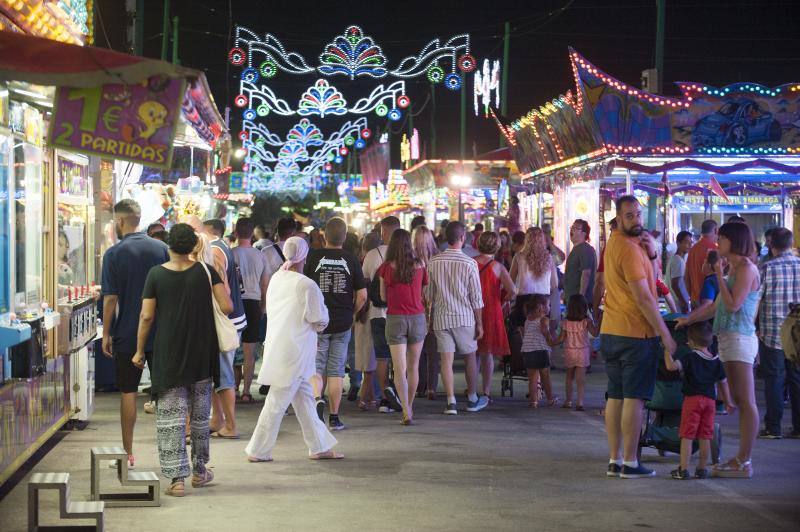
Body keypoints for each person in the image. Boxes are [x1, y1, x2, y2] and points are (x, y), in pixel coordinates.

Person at [133, 223, 233, 497]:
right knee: (200, 417)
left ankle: (177, 480)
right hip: (201, 352)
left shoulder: (155, 275)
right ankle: (200, 472)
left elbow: (146, 317)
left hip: (168, 354)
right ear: (193, 246)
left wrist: (140, 351)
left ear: (168, 246)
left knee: (170, 418)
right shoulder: (206, 271)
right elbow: (227, 307)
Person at [245, 237, 343, 463]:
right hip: (297, 351)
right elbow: (318, 318)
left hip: (283, 347)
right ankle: (258, 450)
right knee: (278, 401)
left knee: (305, 399)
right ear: (305, 256)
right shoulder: (306, 284)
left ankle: (319, 446)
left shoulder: (278, 278)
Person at [601, 195, 676, 479]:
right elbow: (645, 298)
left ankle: (614, 459)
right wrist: (665, 335)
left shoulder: (620, 245)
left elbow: (651, 282)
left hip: (612, 330)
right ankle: (630, 462)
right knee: (634, 399)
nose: (636, 220)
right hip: (635, 334)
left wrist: (653, 255)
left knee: (617, 397)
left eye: (638, 214)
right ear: (618, 218)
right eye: (629, 215)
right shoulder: (629, 249)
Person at [677, 222, 760, 478]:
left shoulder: (746, 268)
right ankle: (739, 459)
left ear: (733, 241)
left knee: (745, 402)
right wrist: (689, 320)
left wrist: (718, 276)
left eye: (721, 239)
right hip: (727, 338)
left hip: (740, 339)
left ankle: (744, 459)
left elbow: (733, 304)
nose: (717, 244)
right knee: (736, 399)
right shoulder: (734, 268)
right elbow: (715, 307)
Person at [101, 199, 169, 468]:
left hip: (127, 333)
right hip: (161, 332)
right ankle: (169, 454)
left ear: (119, 221)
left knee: (128, 392)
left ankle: (127, 454)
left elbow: (110, 299)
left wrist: (106, 332)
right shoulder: (162, 248)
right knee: (166, 395)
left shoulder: (114, 254)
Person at [304, 217, 367, 431]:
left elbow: (304, 289)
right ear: (345, 235)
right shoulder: (351, 260)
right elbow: (362, 296)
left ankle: (316, 405)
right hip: (342, 322)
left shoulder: (313, 258)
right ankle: (334, 416)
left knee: (317, 366)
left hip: (318, 322)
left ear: (324, 235)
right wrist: (352, 313)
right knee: (336, 370)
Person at [426, 221, 485, 414]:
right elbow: (476, 297)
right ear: (462, 238)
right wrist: (480, 323)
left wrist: (429, 317)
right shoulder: (470, 263)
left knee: (446, 360)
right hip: (465, 317)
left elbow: (429, 294)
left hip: (442, 317)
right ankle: (472, 398)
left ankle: (451, 401)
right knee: (469, 357)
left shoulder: (433, 262)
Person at [664, 321, 732, 480]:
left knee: (687, 435)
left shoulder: (689, 357)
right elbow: (723, 383)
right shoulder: (716, 361)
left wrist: (667, 351)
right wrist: (728, 402)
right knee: (705, 435)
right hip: (710, 402)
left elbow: (671, 367)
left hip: (692, 400)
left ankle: (684, 469)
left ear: (691, 342)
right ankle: (701, 469)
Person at [202, 218, 247, 439]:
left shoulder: (215, 252)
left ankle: (230, 425)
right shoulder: (221, 247)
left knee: (223, 376)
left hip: (226, 322)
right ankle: (217, 419)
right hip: (228, 321)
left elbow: (225, 294)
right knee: (216, 374)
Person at [378, 229, 428, 425]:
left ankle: (406, 410)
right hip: (417, 318)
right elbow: (423, 293)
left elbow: (382, 297)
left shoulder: (385, 268)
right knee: (413, 366)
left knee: (399, 369)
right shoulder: (420, 265)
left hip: (395, 318)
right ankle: (410, 406)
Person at [757, 227, 800, 439]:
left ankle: (773, 427)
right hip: (797, 336)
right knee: (797, 379)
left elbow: (755, 300)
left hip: (772, 333)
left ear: (771, 245)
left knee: (774, 380)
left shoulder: (767, 269)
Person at [362, 216, 404, 414]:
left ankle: (385, 398)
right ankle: (400, 395)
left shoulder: (372, 254)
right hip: (400, 312)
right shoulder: (406, 254)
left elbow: (364, 283)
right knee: (400, 359)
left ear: (383, 233)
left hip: (377, 312)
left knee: (382, 357)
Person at [231, 218, 270, 404]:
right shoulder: (260, 255)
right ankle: (246, 391)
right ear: (252, 234)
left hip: (234, 304)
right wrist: (263, 307)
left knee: (230, 348)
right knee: (249, 351)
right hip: (253, 303)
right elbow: (265, 284)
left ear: (236, 233)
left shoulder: (230, 254)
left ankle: (232, 389)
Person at [475, 232, 515, 398]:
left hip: (472, 309)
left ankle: (472, 387)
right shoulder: (498, 267)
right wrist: (503, 300)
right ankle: (486, 390)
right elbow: (513, 290)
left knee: (473, 351)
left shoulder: (471, 263)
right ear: (497, 247)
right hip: (491, 309)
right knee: (488, 352)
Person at [412, 225, 441, 400]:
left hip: (417, 306)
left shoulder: (411, 259)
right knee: (433, 351)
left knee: (417, 350)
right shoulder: (438, 258)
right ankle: (432, 387)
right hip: (435, 307)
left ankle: (420, 386)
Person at [557, 294, 599, 411]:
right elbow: (595, 333)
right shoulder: (587, 321)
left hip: (569, 351)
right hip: (583, 352)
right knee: (581, 379)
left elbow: (560, 339)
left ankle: (568, 400)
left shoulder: (565, 322)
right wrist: (600, 321)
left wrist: (550, 340)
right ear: (584, 307)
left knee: (569, 377)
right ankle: (580, 402)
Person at [509, 227, 558, 328]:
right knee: (542, 333)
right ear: (542, 240)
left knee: (524, 333)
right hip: (543, 300)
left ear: (526, 239)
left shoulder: (519, 257)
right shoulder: (549, 258)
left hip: (524, 300)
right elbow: (554, 284)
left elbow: (510, 281)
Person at [355, 232, 381, 410]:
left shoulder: (359, 264)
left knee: (366, 357)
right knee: (374, 356)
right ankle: (369, 396)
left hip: (363, 313)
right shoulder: (383, 260)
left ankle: (367, 396)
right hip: (377, 311)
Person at [519, 295, 558, 408]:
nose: (549, 308)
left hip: (527, 351)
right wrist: (550, 339)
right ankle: (550, 399)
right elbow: (544, 330)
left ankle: (533, 401)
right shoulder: (543, 319)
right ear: (541, 307)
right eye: (548, 305)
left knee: (532, 379)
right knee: (545, 376)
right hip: (540, 351)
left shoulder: (527, 320)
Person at [343, 232, 363, 401]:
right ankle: (355, 383)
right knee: (353, 350)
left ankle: (335, 381)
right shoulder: (356, 262)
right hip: (353, 310)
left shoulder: (338, 261)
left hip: (336, 310)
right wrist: (355, 312)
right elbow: (361, 292)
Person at [686, 219, 718, 308]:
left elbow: (686, 276)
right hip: (710, 302)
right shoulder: (716, 250)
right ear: (716, 230)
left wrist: (692, 296)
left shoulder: (692, 249)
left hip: (695, 300)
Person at [563, 219, 596, 305]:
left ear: (584, 233)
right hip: (571, 299)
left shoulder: (584, 249)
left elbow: (586, 274)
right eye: (572, 227)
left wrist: (580, 298)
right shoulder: (576, 249)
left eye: (575, 228)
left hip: (579, 303)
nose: (572, 229)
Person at [593, 219, 617, 311]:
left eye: (612, 230)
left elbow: (600, 282)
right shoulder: (639, 246)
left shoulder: (610, 248)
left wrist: (595, 309)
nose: (611, 234)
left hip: (615, 307)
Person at [667, 230, 693, 313]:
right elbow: (675, 284)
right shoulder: (677, 260)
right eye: (686, 242)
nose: (689, 245)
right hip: (678, 304)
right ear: (678, 243)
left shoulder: (678, 259)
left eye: (690, 242)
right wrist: (683, 302)